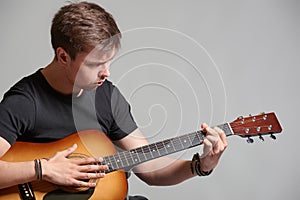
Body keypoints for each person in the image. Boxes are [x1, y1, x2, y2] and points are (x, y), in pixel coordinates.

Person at [0, 1, 227, 199]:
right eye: (95, 64)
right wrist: (44, 169)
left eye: (109, 62)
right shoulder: (24, 101)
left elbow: (149, 168)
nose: (106, 72)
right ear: (63, 56)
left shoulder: (107, 96)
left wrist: (199, 166)